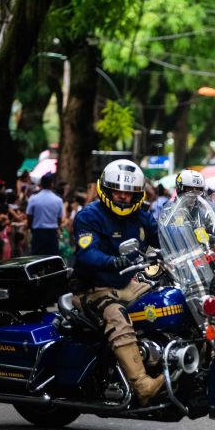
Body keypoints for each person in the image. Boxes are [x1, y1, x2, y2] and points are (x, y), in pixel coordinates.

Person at [73, 160, 162, 406]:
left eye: (129, 193)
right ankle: (143, 384)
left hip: (127, 285)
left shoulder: (141, 216)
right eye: (117, 191)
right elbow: (86, 252)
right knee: (117, 318)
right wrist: (111, 261)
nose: (123, 197)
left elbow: (162, 236)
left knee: (170, 299)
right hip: (94, 289)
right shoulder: (89, 216)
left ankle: (165, 358)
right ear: (106, 190)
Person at [25, 173, 63, 256]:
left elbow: (29, 216)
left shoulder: (33, 199)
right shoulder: (58, 200)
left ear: (41, 184)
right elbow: (59, 219)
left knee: (37, 258)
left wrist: (31, 228)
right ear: (52, 184)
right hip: (52, 234)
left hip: (38, 233)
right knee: (52, 259)